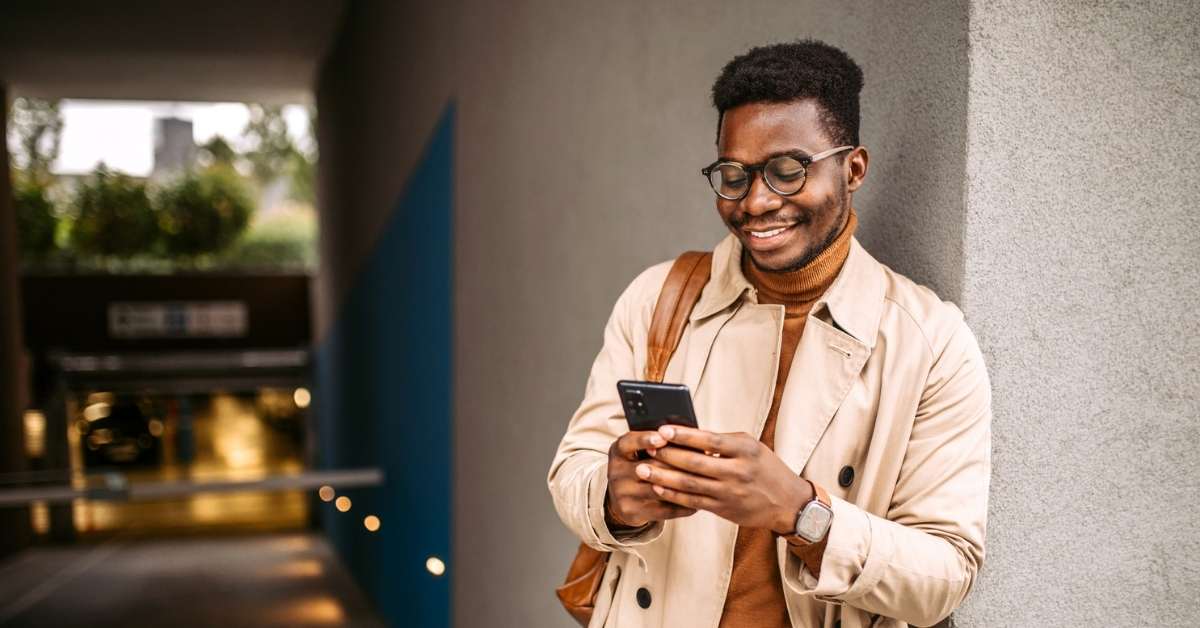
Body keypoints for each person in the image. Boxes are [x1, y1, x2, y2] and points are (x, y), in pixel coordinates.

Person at [548, 39, 991, 628]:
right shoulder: (659, 298)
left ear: (853, 168)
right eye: (734, 175)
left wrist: (802, 514)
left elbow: (948, 574)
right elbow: (574, 466)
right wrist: (614, 497)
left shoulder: (930, 342)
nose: (756, 202)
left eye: (788, 171)